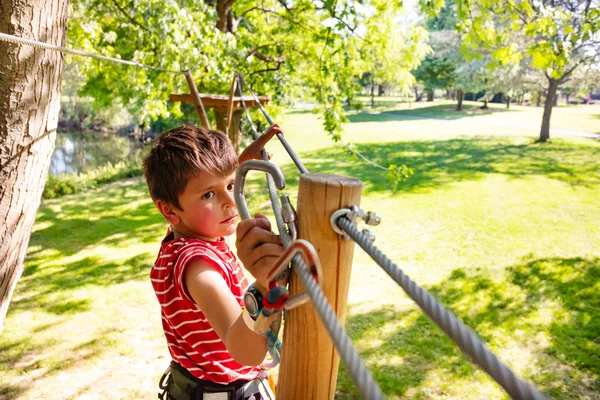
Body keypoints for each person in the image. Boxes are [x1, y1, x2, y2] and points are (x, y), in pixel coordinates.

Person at [142, 124, 286, 400]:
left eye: (231, 185)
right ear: (169, 210)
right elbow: (245, 353)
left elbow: (203, 181)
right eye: (210, 195)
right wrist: (266, 287)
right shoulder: (198, 267)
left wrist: (242, 161)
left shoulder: (182, 234)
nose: (231, 201)